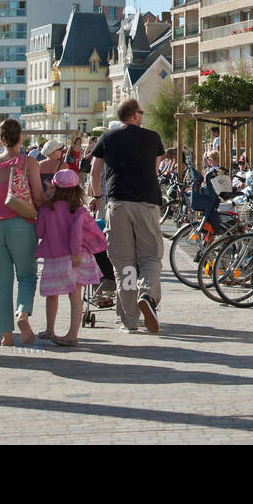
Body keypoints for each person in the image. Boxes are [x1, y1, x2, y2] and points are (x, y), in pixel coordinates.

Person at [89, 98, 165, 334]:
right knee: (151, 256)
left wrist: (98, 195)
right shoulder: (152, 137)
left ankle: (129, 320)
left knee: (124, 264)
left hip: (118, 203)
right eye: (141, 112)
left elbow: (94, 170)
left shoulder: (107, 137)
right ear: (134, 115)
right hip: (147, 202)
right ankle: (147, 293)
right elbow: (154, 171)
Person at [0, 119, 46, 345]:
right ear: (20, 136)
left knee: (0, 283)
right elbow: (38, 196)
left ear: (0, 139)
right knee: (27, 274)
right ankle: (22, 313)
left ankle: (6, 335)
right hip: (22, 223)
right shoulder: (28, 162)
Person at [35, 167, 102, 347]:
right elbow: (76, 233)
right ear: (76, 189)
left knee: (52, 294)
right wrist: (75, 252)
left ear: (54, 187)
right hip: (77, 256)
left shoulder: (46, 208)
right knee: (75, 296)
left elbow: (39, 231)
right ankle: (72, 334)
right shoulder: (79, 210)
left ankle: (50, 329)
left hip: (54, 257)